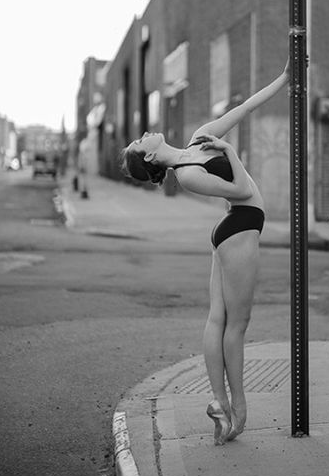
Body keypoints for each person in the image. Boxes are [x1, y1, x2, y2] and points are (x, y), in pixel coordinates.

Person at [120, 56, 291, 446]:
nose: (145, 133)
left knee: (219, 318)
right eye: (139, 140)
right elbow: (244, 192)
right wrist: (229, 151)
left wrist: (283, 77)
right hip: (241, 227)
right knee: (236, 324)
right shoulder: (188, 175)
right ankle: (239, 406)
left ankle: (219, 401)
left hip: (232, 231)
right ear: (149, 156)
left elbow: (244, 106)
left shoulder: (199, 138)